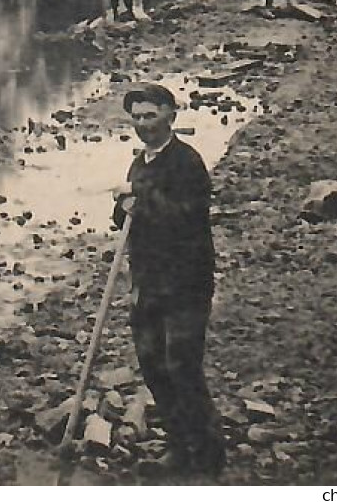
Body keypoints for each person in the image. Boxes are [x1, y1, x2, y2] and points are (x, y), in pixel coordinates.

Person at [112, 84, 225, 479]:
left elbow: (186, 216)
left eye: (150, 116)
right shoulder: (140, 163)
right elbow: (127, 217)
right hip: (148, 280)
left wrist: (137, 198)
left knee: (182, 365)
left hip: (186, 282)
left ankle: (208, 452)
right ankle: (179, 445)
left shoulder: (186, 163)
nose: (143, 125)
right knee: (153, 365)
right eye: (137, 117)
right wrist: (124, 205)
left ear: (170, 116)